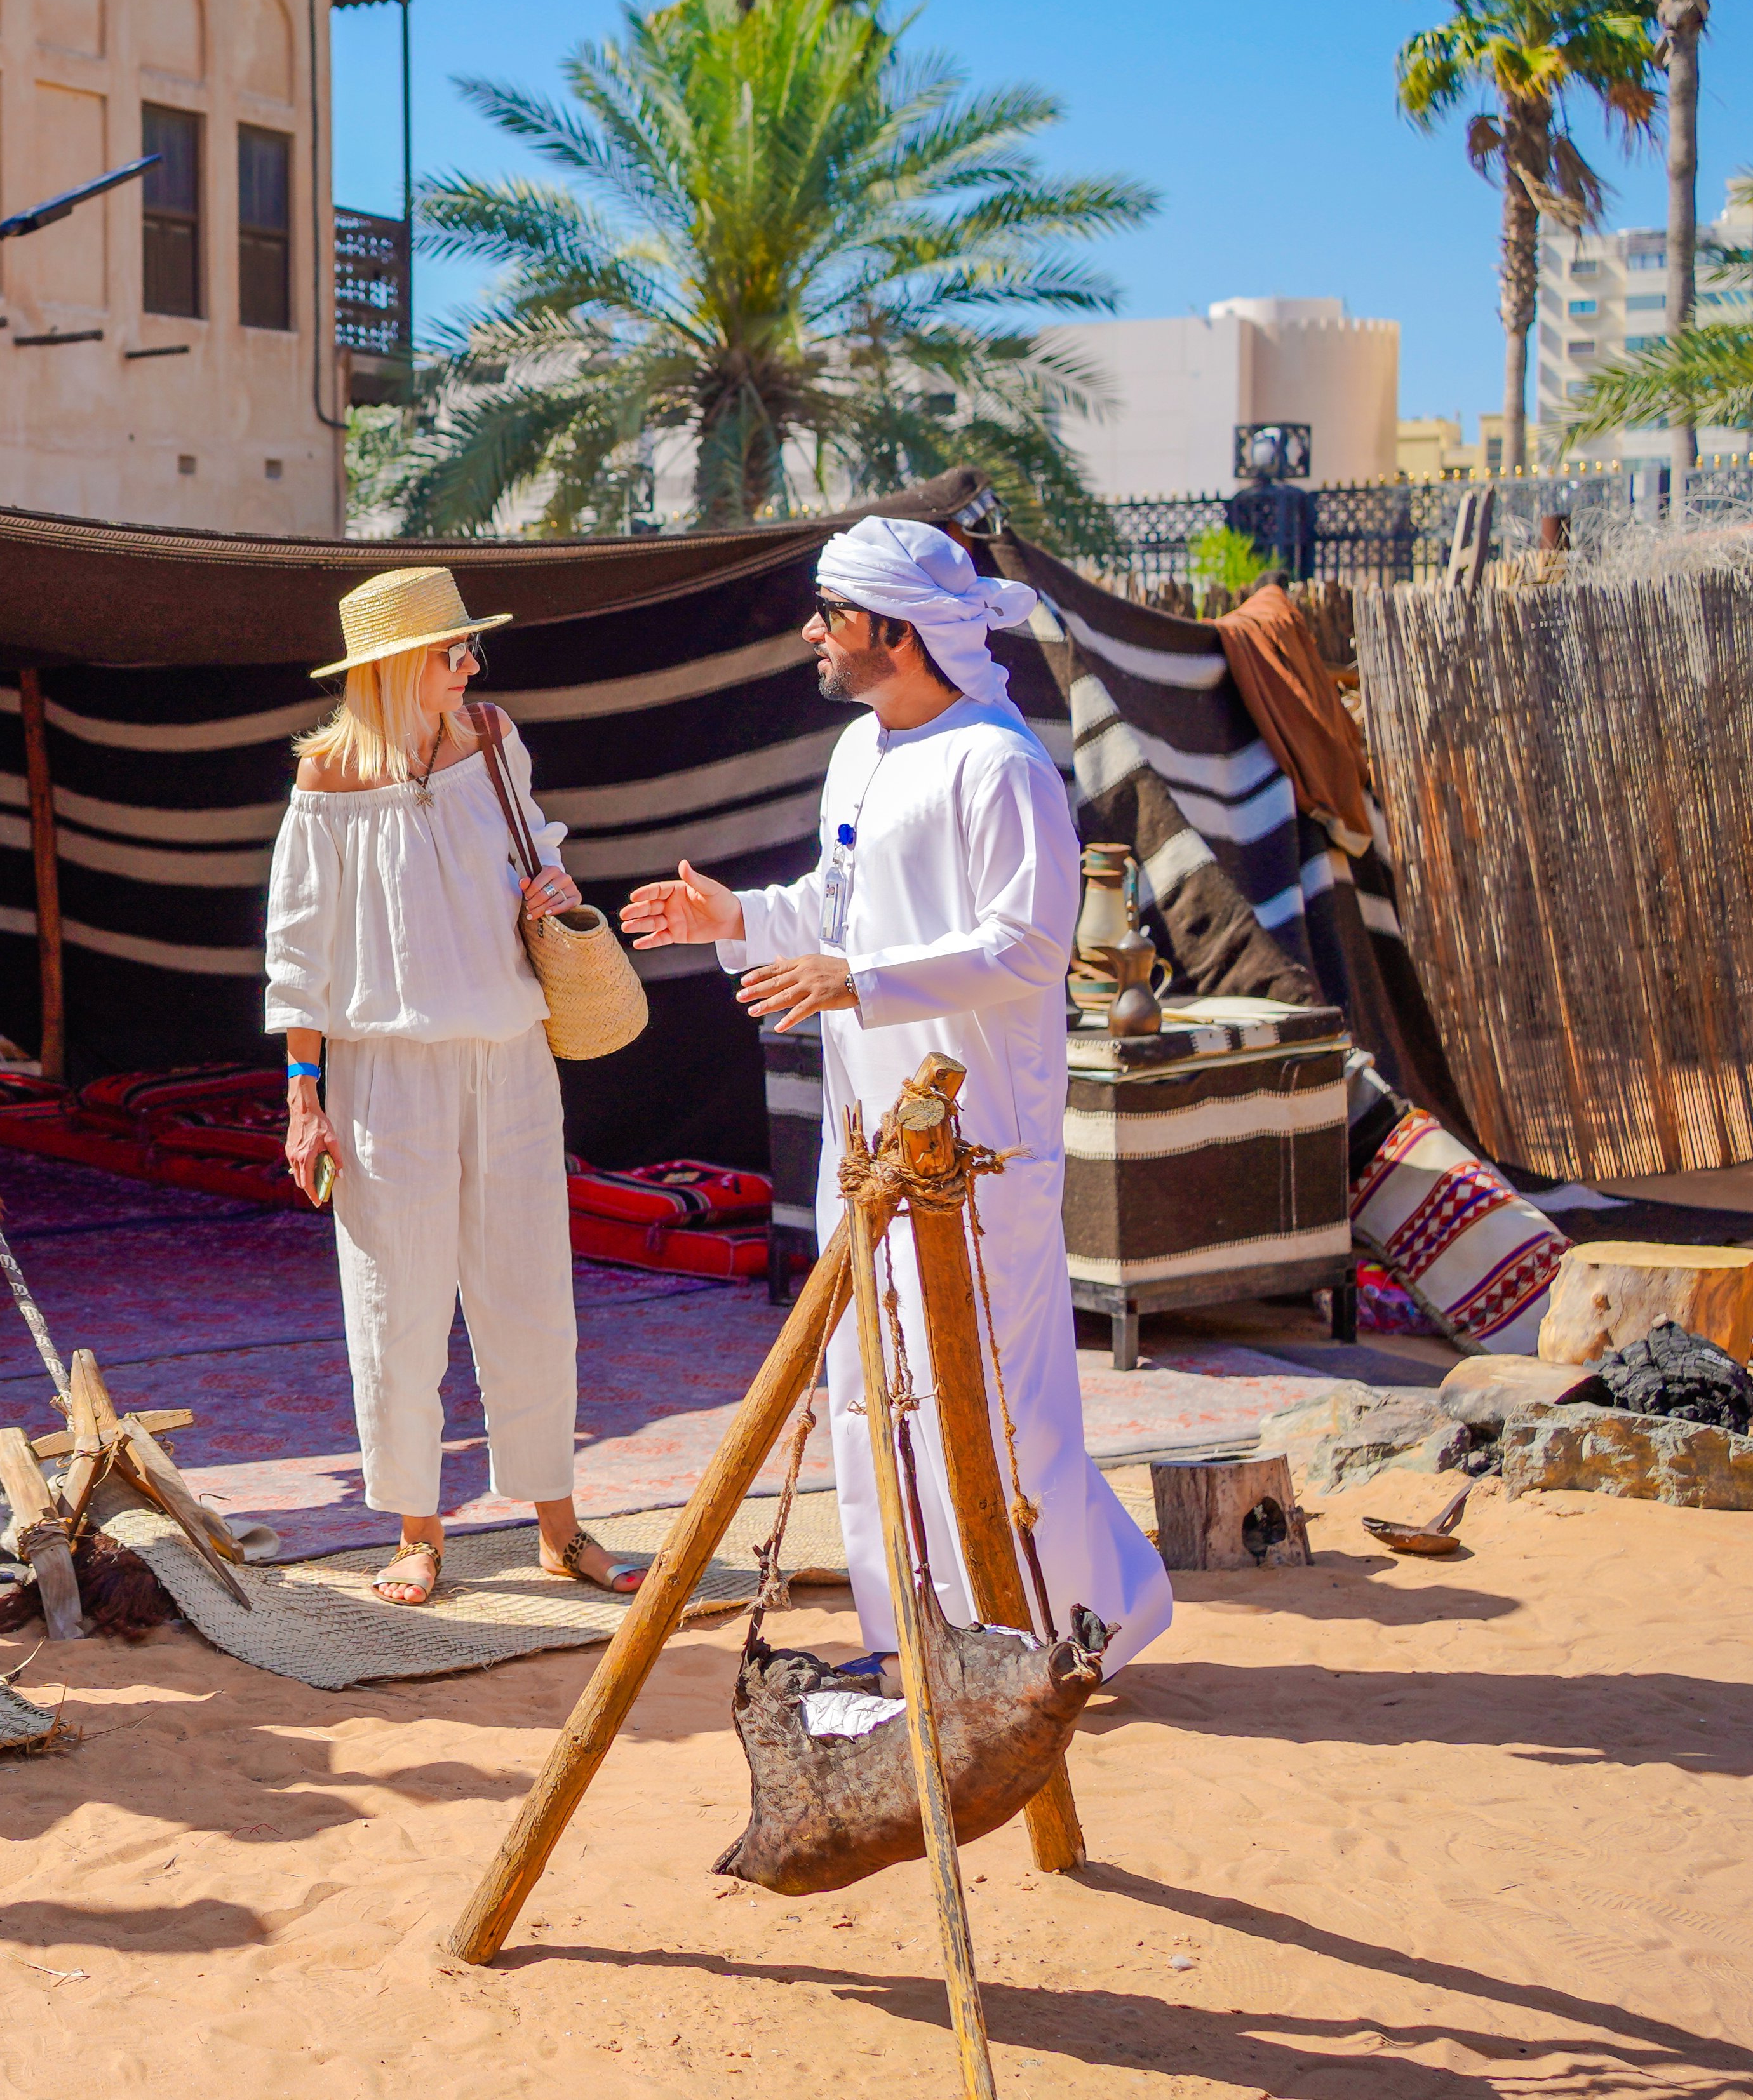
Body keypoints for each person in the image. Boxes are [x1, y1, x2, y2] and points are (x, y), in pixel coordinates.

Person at [619, 515, 1174, 1673]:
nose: (811, 635)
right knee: (873, 1394)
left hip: (979, 1148)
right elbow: (837, 901)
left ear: (893, 630)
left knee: (1002, 1408)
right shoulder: (862, 751)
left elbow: (1027, 948)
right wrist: (733, 919)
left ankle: (1061, 1637)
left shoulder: (1001, 763)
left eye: (829, 615)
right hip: (867, 1143)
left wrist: (854, 981)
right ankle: (914, 1647)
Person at [263, 566, 635, 1610]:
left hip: (510, 1054)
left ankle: (556, 1527)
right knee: (397, 1304)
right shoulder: (328, 780)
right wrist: (304, 1097)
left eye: (470, 647)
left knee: (529, 1295)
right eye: (451, 651)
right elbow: (299, 952)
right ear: (390, 666)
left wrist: (553, 889)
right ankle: (416, 1532)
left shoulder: (493, 738)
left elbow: (539, 852)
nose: (470, 665)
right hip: (387, 1072)